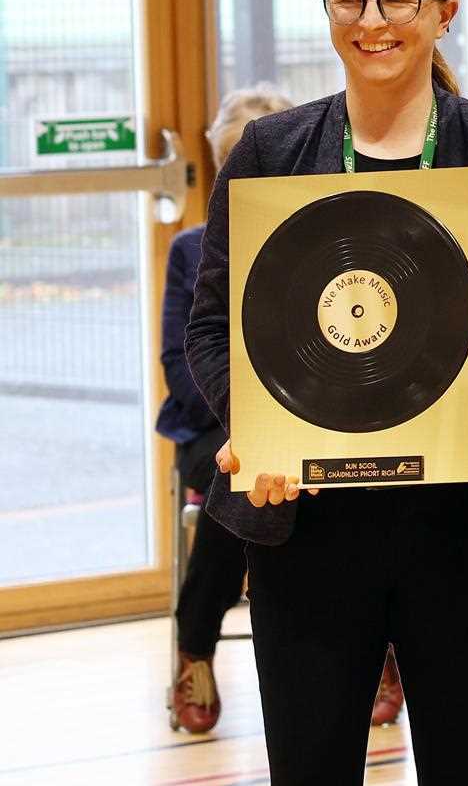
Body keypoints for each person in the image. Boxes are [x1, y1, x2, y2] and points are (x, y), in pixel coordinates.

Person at [184, 0, 468, 785]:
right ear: (326, 8)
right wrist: (254, 426)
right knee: (310, 765)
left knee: (463, 766)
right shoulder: (270, 151)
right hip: (306, 519)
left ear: (445, 10)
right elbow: (213, 329)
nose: (371, 23)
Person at [159, 85, 292, 733]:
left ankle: (371, 643)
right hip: (216, 414)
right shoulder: (191, 246)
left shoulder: (318, 233)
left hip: (303, 413)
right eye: (242, 156)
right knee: (233, 469)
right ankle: (197, 646)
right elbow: (179, 360)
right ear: (219, 164)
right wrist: (245, 415)